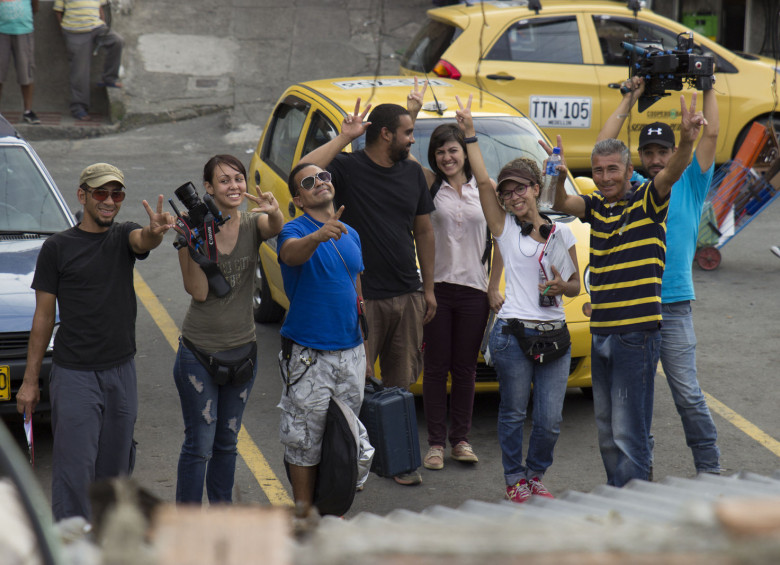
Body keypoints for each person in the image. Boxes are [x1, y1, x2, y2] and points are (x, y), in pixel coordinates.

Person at [549, 93, 706, 487]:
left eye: (612, 170)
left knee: (629, 432)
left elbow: (673, 171)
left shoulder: (648, 201)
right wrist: (555, 170)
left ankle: (635, 506)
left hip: (635, 337)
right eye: (598, 170)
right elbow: (560, 200)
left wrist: (687, 140)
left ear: (629, 169)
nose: (604, 177)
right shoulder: (596, 207)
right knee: (606, 432)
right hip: (602, 332)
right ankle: (620, 498)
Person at [16, 162, 173, 520]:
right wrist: (29, 381)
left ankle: (106, 549)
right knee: (74, 475)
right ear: (82, 195)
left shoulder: (123, 236)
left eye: (116, 194)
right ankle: (72, 550)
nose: (109, 201)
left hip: (121, 373)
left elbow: (142, 240)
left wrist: (155, 233)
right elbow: (42, 317)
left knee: (115, 475)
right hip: (75, 376)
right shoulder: (57, 248)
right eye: (101, 193)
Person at [298, 99, 436, 487]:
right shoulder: (347, 168)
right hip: (362, 296)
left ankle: (396, 459)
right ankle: (348, 460)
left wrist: (428, 288)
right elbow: (304, 170)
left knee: (399, 384)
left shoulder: (412, 173)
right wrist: (346, 136)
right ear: (386, 133)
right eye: (408, 132)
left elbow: (424, 231)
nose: (412, 139)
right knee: (352, 388)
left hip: (407, 292)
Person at [455, 95, 580, 502]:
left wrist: (563, 288)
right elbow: (484, 180)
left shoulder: (560, 234)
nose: (511, 197)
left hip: (554, 336)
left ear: (534, 188)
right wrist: (469, 132)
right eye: (507, 193)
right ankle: (514, 480)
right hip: (512, 334)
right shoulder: (505, 230)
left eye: (519, 190)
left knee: (549, 420)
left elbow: (576, 287)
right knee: (512, 413)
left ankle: (536, 473)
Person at [597, 76, 721, 475]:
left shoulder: (689, 182)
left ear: (674, 153)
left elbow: (711, 135)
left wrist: (708, 86)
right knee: (636, 405)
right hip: (633, 312)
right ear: (638, 159)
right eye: (648, 152)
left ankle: (709, 471)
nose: (655, 159)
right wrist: (629, 100)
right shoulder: (632, 188)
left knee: (687, 394)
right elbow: (604, 147)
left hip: (673, 308)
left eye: (662, 151)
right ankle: (640, 478)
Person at [405, 80, 504, 470]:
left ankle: (460, 441)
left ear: (465, 153)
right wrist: (411, 111)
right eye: (441, 152)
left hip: (474, 292)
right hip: (436, 290)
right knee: (436, 368)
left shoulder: (487, 188)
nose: (448, 158)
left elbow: (500, 240)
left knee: (465, 368)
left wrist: (493, 287)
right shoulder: (430, 184)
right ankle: (434, 444)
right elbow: (402, 156)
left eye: (454, 151)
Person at [174, 155, 283, 505]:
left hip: (243, 352)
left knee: (227, 442)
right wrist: (191, 243)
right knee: (200, 445)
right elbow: (200, 292)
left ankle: (223, 516)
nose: (234, 186)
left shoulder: (252, 224)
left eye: (239, 179)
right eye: (224, 181)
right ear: (208, 188)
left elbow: (276, 227)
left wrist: (274, 209)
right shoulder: (193, 231)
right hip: (199, 354)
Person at [277, 162, 367, 516]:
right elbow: (290, 254)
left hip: (351, 351)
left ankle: (333, 514)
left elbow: (357, 288)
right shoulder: (293, 230)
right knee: (303, 440)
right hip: (309, 354)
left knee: (342, 440)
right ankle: (303, 515)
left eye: (324, 177)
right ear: (299, 198)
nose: (320, 183)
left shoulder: (351, 232)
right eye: (309, 182)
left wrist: (366, 347)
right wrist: (318, 235)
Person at [53, 0, 123, 121]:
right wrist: (63, 28)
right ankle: (78, 107)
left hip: (97, 27)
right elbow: (58, 11)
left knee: (117, 41)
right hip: (75, 32)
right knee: (80, 71)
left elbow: (100, 7)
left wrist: (103, 23)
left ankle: (109, 78)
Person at [0, 0, 40, 124]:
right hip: (1, 32)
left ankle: (28, 111)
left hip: (24, 31)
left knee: (26, 73)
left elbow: (35, 6)